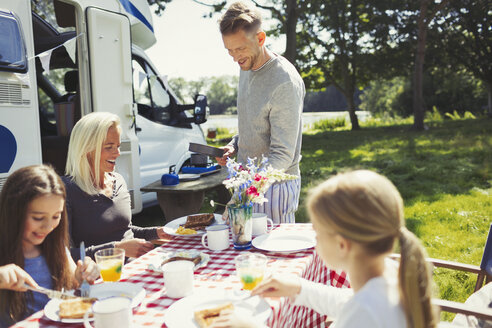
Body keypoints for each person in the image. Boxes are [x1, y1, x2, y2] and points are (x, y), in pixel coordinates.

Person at [211, 170, 438, 328]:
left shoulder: (364, 313)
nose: (315, 241)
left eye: (317, 234)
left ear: (342, 245)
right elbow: (346, 301)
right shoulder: (388, 273)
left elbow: (355, 308)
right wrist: (299, 287)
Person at [216, 1, 305, 223]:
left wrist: (246, 190)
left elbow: (283, 155)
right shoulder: (246, 67)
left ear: (260, 39)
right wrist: (234, 145)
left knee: (274, 256)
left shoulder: (283, 82)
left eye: (240, 49)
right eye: (229, 51)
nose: (235, 58)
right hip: (247, 182)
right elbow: (254, 125)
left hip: (275, 187)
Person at [0, 165, 99, 327]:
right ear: (14, 212)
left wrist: (83, 275)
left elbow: (73, 282)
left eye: (56, 216)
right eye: (38, 218)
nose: (48, 227)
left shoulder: (54, 243)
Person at [64, 112, 168, 261]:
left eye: (118, 146)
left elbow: (123, 231)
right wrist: (117, 249)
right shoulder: (66, 190)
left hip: (134, 268)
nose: (118, 153)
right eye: (109, 147)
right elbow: (63, 256)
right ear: (86, 149)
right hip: (100, 277)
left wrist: (157, 233)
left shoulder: (118, 181)